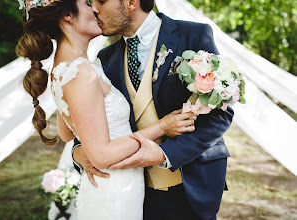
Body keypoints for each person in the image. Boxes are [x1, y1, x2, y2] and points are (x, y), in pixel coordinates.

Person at [15, 0, 195, 219]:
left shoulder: (66, 68)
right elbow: (101, 155)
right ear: (68, 16)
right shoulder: (80, 71)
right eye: (86, 3)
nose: (95, 9)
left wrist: (81, 150)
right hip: (114, 190)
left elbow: (67, 132)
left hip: (114, 185)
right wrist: (162, 127)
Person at [72, 0, 235, 220]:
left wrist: (164, 153)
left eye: (101, 0)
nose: (93, 9)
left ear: (131, 2)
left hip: (190, 185)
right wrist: (78, 151)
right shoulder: (105, 59)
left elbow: (220, 113)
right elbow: (96, 118)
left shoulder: (193, 34)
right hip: (134, 192)